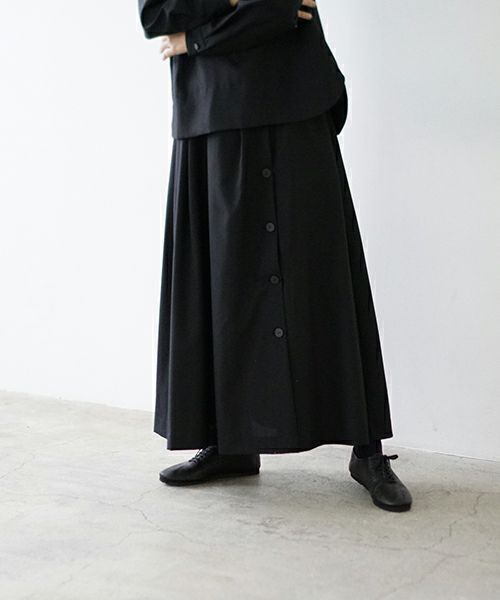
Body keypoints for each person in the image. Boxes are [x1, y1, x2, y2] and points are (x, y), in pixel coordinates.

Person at [138, 0, 412, 512]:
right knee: (221, 283)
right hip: (212, 111)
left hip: (294, 101)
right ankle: (229, 444)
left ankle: (367, 450)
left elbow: (281, 7)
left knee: (326, 274)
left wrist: (196, 39)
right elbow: (157, 15)